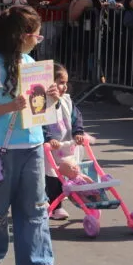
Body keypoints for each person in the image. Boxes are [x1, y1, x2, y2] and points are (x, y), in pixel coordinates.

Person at [0, 5, 68, 265]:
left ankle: (42, 262)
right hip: (2, 149)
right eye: (37, 35)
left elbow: (40, 108)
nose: (38, 41)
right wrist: (11, 106)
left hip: (33, 145)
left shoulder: (31, 63)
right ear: (23, 35)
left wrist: (52, 98)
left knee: (36, 205)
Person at [42, 63, 87, 222]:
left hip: (66, 145)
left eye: (66, 83)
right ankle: (56, 206)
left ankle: (75, 197)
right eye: (61, 82)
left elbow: (76, 117)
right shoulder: (42, 102)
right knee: (53, 176)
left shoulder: (67, 100)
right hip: (52, 147)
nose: (65, 87)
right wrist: (48, 138)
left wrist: (78, 132)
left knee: (70, 173)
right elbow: (41, 123)